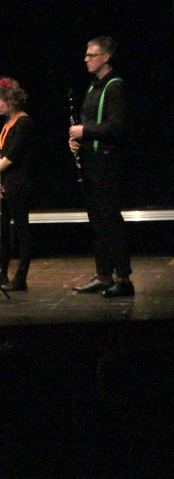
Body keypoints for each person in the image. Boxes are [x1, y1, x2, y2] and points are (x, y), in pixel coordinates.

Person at [69, 37, 133, 297]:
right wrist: (77, 141)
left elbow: (117, 128)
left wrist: (85, 131)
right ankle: (103, 275)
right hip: (91, 160)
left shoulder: (115, 87)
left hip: (107, 161)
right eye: (86, 55)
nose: (86, 59)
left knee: (110, 220)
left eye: (91, 55)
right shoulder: (92, 88)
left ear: (106, 57)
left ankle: (124, 279)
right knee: (96, 221)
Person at [0, 78, 33, 291]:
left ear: (9, 100)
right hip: (5, 181)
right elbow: (0, 151)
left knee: (21, 229)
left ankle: (21, 277)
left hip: (19, 181)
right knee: (1, 229)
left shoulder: (23, 122)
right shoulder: (7, 123)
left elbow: (12, 156)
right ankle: (1, 273)